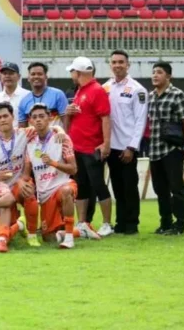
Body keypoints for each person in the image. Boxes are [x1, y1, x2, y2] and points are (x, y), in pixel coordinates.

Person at [0, 102, 41, 247]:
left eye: (5, 116)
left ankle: (32, 234)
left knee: (29, 192)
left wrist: (60, 131)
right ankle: (20, 224)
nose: (3, 120)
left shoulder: (25, 133)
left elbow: (47, 127)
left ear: (12, 116)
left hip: (20, 183)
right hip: (0, 190)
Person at [65, 57, 114, 238]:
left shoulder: (96, 90)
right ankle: (82, 223)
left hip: (92, 147)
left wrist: (106, 143)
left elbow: (105, 118)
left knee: (98, 184)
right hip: (78, 147)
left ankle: (107, 223)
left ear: (78, 72)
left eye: (73, 71)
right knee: (82, 186)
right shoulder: (81, 90)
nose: (71, 75)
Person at [148, 62, 184, 236]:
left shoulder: (177, 94)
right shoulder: (150, 96)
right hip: (154, 150)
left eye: (159, 72)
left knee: (176, 188)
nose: (155, 75)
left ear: (168, 76)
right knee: (160, 189)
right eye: (153, 72)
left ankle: (180, 223)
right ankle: (165, 222)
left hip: (172, 149)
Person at [22, 103, 79, 249]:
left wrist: (53, 163)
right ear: (30, 121)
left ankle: (69, 238)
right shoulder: (29, 143)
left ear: (50, 118)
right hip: (45, 194)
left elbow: (73, 169)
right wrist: (26, 184)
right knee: (49, 238)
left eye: (42, 116)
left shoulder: (61, 138)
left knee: (66, 191)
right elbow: (26, 173)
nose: (38, 120)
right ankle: (80, 231)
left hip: (61, 185)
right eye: (35, 117)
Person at [103, 50, 148, 235]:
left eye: (121, 62)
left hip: (127, 147)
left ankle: (131, 223)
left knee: (129, 186)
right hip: (110, 146)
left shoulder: (137, 89)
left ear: (128, 65)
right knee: (117, 186)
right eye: (114, 62)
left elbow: (140, 120)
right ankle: (120, 222)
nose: (117, 65)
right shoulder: (105, 87)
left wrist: (131, 147)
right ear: (110, 65)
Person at [18, 62, 69, 129]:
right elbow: (22, 129)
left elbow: (66, 121)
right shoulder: (23, 101)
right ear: (28, 78)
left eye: (40, 74)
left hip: (55, 135)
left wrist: (64, 135)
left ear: (46, 77)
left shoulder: (58, 94)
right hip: (33, 136)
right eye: (33, 74)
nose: (36, 76)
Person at [0, 62, 30, 129]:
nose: (7, 76)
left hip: (22, 134)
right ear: (0, 77)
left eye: (11, 73)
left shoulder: (27, 95)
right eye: (4, 73)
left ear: (19, 77)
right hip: (1, 135)